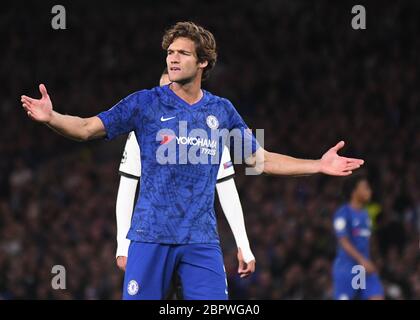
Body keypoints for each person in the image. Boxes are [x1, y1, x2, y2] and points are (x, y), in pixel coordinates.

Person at [21, 21, 364, 300]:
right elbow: (85, 129)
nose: (173, 58)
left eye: (183, 53)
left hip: (201, 241)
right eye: (170, 52)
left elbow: (259, 159)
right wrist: (53, 117)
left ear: (203, 62)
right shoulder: (144, 103)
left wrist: (317, 165)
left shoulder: (221, 110)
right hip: (150, 236)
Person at [115, 69, 256, 299]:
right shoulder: (143, 132)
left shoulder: (210, 131)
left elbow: (227, 185)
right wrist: (122, 244)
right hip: (153, 240)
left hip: (197, 241)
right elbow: (127, 186)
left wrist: (244, 243)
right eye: (163, 91)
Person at [332, 173, 384, 300]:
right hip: (347, 268)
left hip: (365, 268)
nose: (369, 191)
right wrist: (362, 260)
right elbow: (343, 241)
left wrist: (374, 259)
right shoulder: (343, 213)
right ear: (354, 191)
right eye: (365, 187)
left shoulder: (366, 215)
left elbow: (368, 241)